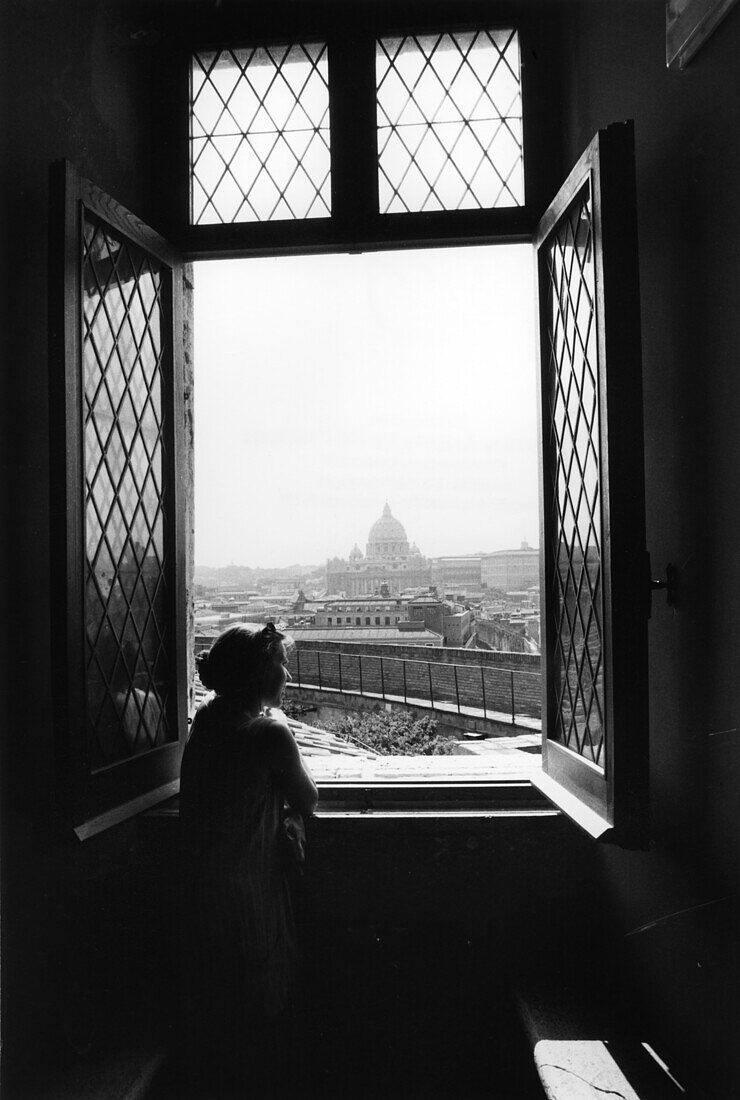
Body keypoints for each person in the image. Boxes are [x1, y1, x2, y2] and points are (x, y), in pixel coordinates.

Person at [179, 622, 318, 1098]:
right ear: (258, 673)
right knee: (264, 1020)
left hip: (204, 896)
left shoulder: (207, 725)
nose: (287, 674)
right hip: (250, 897)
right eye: (280, 664)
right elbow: (309, 795)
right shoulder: (269, 735)